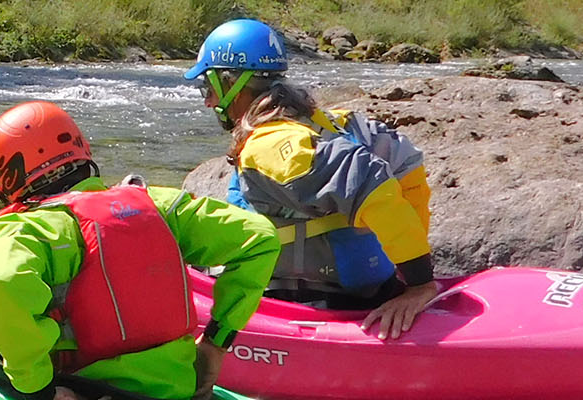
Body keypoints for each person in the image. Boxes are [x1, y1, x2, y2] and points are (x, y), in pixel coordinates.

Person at [0, 101, 282, 400]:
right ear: (82, 150)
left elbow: (5, 279)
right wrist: (216, 342)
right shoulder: (159, 205)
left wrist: (38, 389)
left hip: (85, 388)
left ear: (6, 178)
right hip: (179, 388)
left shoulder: (29, 231)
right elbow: (260, 237)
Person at [184, 19, 441, 340]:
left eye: (207, 88)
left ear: (230, 83)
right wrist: (404, 268)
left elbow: (368, 180)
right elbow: (408, 164)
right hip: (370, 286)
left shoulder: (270, 145)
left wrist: (419, 285)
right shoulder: (332, 122)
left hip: (320, 298)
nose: (208, 101)